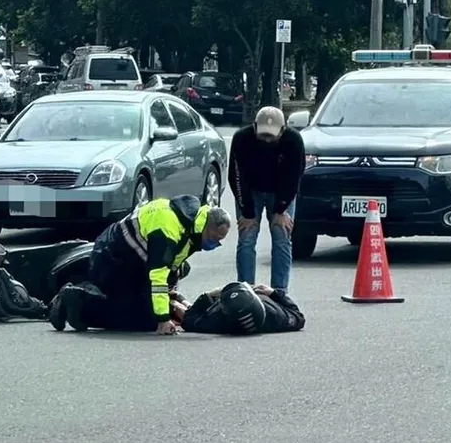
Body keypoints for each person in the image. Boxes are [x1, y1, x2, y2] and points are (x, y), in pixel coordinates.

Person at [49, 195, 232, 335]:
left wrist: (175, 301)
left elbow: (173, 267)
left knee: (152, 305)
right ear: (207, 226)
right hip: (111, 260)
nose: (215, 244)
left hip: (132, 260)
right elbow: (158, 275)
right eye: (215, 238)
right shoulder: (168, 229)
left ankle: (92, 298)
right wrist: (162, 319)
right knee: (137, 319)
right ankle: (76, 301)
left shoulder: (192, 224)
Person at [229, 106, 306, 292]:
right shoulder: (241, 139)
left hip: (280, 191)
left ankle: (280, 291)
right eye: (263, 134)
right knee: (247, 237)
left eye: (271, 135)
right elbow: (236, 176)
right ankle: (246, 289)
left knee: (282, 235)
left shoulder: (293, 140)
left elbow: (294, 176)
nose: (266, 139)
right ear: (254, 127)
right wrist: (247, 211)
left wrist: (281, 210)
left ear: (283, 129)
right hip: (250, 190)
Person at [174, 281, 305, 335]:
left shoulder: (217, 320)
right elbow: (299, 317)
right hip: (250, 299)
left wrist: (208, 295)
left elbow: (189, 319)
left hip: (219, 305)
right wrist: (274, 293)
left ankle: (174, 300)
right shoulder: (277, 317)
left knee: (185, 310)